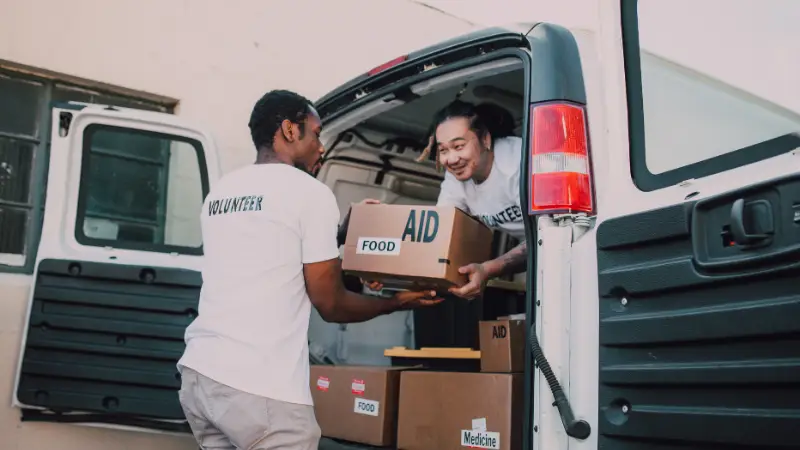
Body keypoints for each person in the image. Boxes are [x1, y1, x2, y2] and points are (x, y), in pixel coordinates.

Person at [176, 90, 443, 450]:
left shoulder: (221, 192)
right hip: (260, 388)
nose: (321, 146)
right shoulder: (309, 193)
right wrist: (399, 302)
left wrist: (339, 232)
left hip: (201, 377)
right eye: (316, 134)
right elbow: (331, 305)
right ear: (289, 130)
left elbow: (272, 250)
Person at [366, 100, 527, 300]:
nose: (451, 159)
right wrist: (385, 268)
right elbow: (437, 234)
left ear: (485, 139)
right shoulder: (455, 179)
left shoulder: (519, 164)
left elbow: (547, 232)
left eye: (459, 146)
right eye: (443, 150)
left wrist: (490, 268)